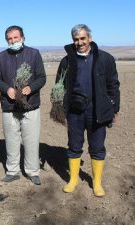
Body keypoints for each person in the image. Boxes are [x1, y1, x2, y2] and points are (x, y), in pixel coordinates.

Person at [55, 24, 120, 197]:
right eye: (76, 39)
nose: (79, 42)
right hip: (75, 111)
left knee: (97, 147)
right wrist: (60, 110)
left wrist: (114, 109)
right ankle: (73, 179)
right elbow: (59, 87)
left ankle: (96, 183)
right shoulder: (67, 61)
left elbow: (113, 85)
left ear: (89, 38)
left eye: (83, 38)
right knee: (74, 146)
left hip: (97, 110)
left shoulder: (105, 58)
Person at [0, 25, 46, 185]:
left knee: (31, 140)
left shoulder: (34, 54)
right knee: (11, 140)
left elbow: (42, 77)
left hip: (30, 105)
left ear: (23, 38)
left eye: (15, 37)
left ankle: (32, 171)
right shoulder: (2, 57)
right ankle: (13, 171)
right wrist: (6, 88)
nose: (13, 41)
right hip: (9, 107)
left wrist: (31, 88)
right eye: (9, 39)